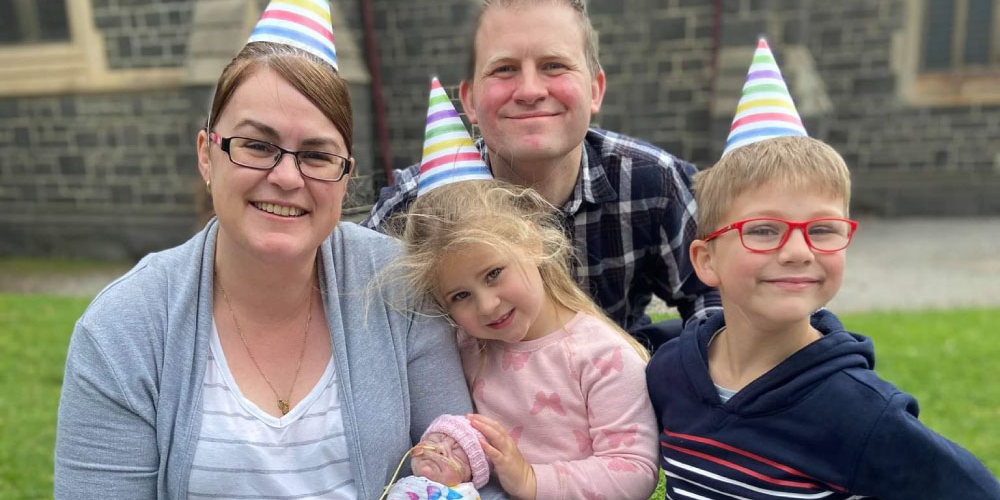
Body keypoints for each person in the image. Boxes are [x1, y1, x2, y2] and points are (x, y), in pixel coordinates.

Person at [54, 3, 505, 499]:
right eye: (257, 145)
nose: (287, 177)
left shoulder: (397, 286)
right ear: (207, 154)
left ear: (345, 175)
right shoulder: (124, 329)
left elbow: (468, 471)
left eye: (316, 155)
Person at [646, 39, 1000, 500]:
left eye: (824, 229)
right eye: (765, 230)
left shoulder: (861, 415)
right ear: (705, 260)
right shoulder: (669, 371)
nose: (797, 251)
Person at [365, 0, 721, 350]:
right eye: (504, 69)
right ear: (470, 100)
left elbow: (718, 292)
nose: (531, 91)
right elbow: (352, 327)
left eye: (554, 65)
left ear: (594, 90)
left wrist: (690, 376)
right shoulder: (413, 212)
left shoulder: (651, 181)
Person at [390, 179, 659, 500]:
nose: (487, 305)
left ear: (531, 241)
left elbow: (635, 470)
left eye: (493, 274)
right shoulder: (466, 348)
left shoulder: (603, 356)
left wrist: (532, 480)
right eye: (460, 295)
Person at [384, 415, 490, 500]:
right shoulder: (395, 485)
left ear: (468, 480)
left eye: (456, 454)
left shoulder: (465, 495)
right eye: (434, 440)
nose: (440, 448)